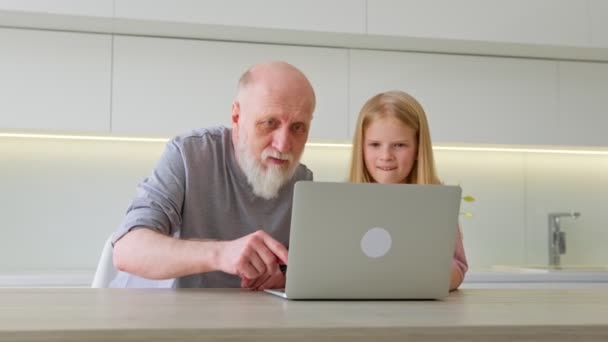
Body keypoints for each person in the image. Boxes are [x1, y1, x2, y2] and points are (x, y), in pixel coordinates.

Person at [111, 61, 316, 289]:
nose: (283, 144)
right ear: (237, 118)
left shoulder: (302, 182)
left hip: (237, 318)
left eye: (298, 127)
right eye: (269, 123)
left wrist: (282, 279)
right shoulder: (189, 155)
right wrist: (221, 253)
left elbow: (299, 272)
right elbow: (127, 250)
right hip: (150, 314)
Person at [348, 90, 468, 291]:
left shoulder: (437, 203)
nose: (385, 156)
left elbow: (458, 267)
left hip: (419, 311)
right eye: (375, 145)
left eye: (399, 145)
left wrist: (417, 280)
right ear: (361, 148)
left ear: (418, 149)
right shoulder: (344, 202)